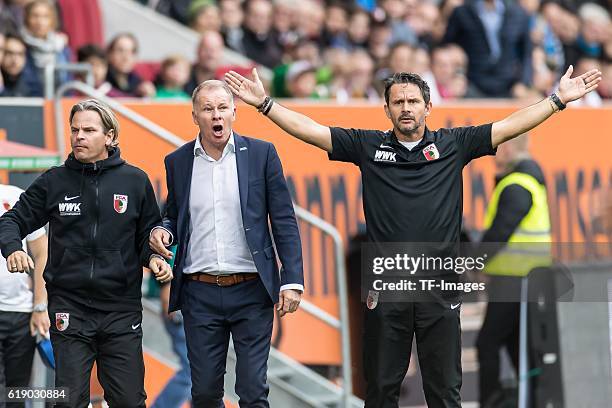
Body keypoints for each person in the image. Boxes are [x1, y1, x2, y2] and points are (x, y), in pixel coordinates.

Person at [224, 66, 601, 407]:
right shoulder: (368, 146)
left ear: (428, 106)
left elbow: (508, 126)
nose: (406, 108)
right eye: (398, 102)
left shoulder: (455, 144)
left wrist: (556, 101)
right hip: (387, 288)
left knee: (444, 391)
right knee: (383, 389)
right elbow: (313, 132)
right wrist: (265, 105)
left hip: (440, 289)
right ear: (386, 110)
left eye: (413, 101)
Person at [0, 99, 173, 408]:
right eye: (74, 130)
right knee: (68, 401)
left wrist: (155, 258)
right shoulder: (54, 181)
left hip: (121, 310)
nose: (78, 136)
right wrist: (13, 248)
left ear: (110, 136)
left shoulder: (135, 181)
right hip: (71, 308)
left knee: (130, 401)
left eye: (88, 130)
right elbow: (11, 220)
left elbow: (147, 236)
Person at [149, 80, 304, 407]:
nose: (215, 115)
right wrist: (164, 230)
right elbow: (174, 213)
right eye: (207, 109)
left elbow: (284, 219)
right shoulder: (178, 161)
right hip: (199, 291)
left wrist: (292, 279)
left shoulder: (262, 154)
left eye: (222, 108)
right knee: (203, 393)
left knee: (252, 391)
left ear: (234, 112)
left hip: (251, 289)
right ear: (195, 116)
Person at [476, 135, 551, 407]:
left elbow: (499, 233)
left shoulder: (517, 185)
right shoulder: (527, 181)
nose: (495, 152)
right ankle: (534, 399)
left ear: (507, 147)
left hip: (516, 279)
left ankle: (492, 401)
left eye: (498, 146)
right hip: (522, 278)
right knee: (517, 347)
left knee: (488, 344)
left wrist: (476, 261)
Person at [0, 183, 48, 408]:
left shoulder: (15, 195)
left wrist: (40, 306)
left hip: (22, 312)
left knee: (16, 395)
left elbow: (41, 253)